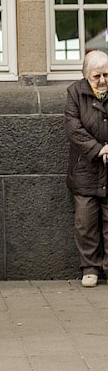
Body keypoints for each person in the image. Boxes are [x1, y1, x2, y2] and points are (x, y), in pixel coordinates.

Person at [64, 49, 108, 289]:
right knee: (85, 222)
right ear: (86, 76)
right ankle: (89, 268)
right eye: (96, 76)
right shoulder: (74, 93)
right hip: (85, 169)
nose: (102, 81)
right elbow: (73, 128)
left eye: (106, 75)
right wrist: (99, 150)